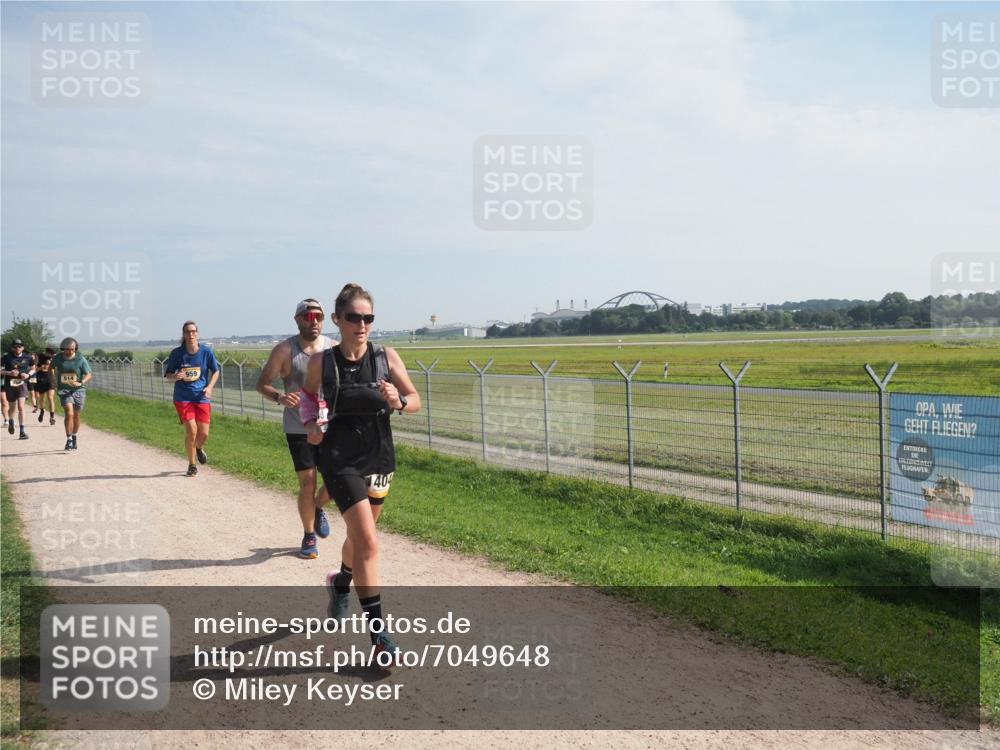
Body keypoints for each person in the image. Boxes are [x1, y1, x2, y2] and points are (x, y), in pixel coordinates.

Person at [300, 283, 420, 660]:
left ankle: (341, 583)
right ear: (338, 320)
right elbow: (307, 399)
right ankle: (380, 638)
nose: (362, 324)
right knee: (368, 542)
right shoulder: (322, 362)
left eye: (368, 317)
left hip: (379, 456)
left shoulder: (386, 358)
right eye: (354, 317)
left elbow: (415, 399)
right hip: (339, 458)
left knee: (360, 538)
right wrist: (311, 425)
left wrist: (399, 401)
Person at [255, 298, 335, 559]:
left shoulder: (333, 348)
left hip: (330, 426)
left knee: (336, 482)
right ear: (297, 319)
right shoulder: (284, 350)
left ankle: (318, 507)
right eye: (308, 317)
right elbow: (262, 384)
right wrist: (280, 397)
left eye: (319, 316)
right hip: (298, 426)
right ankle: (309, 534)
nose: (314, 321)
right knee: (308, 483)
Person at [164, 321, 220, 477]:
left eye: (193, 331)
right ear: (183, 334)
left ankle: (199, 448)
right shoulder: (177, 353)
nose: (191, 334)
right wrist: (175, 376)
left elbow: (216, 371)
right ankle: (192, 465)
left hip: (201, 397)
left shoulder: (206, 352)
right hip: (183, 398)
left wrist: (210, 387)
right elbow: (168, 374)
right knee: (192, 431)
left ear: (197, 333)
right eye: (187, 332)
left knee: (204, 433)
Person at [50, 338, 93, 450]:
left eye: (72, 349)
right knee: (69, 413)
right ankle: (68, 439)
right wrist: (53, 380)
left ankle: (74, 436)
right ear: (63, 349)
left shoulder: (80, 359)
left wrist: (81, 382)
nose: (70, 351)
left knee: (76, 415)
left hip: (78, 390)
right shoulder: (58, 358)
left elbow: (89, 374)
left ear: (75, 349)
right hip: (64, 390)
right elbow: (51, 368)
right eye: (67, 349)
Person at [1, 339, 36, 440]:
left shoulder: (28, 357)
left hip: (22, 383)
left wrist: (28, 375)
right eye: (15, 346)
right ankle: (11, 421)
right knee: (12, 407)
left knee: (21, 406)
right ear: (12, 348)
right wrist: (9, 373)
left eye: (19, 346)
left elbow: (33, 368)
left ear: (23, 348)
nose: (17, 348)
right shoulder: (6, 357)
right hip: (10, 384)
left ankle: (22, 431)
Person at [33, 348, 57, 425]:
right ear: (47, 353)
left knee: (50, 397)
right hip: (41, 379)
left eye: (53, 355)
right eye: (51, 355)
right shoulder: (39, 356)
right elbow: (34, 369)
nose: (52, 356)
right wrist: (42, 367)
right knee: (42, 399)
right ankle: (42, 411)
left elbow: (55, 368)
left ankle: (52, 417)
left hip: (50, 379)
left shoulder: (54, 357)